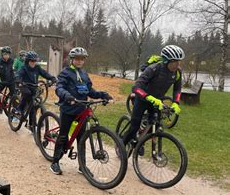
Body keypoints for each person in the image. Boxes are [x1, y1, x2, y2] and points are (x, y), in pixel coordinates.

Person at [50, 47, 112, 175]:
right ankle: (55, 162)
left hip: (81, 110)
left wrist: (103, 94)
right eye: (77, 59)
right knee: (63, 136)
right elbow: (59, 88)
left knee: (82, 138)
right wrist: (67, 96)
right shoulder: (65, 73)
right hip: (68, 109)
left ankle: (82, 166)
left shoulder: (84, 74)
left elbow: (90, 91)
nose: (79, 61)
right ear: (72, 60)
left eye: (82, 59)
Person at [121, 45, 184, 150]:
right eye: (175, 61)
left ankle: (140, 140)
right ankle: (121, 146)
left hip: (157, 102)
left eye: (179, 61)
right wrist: (149, 97)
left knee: (155, 125)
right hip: (142, 100)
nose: (178, 64)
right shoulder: (153, 69)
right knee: (134, 127)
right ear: (167, 61)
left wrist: (176, 103)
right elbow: (136, 87)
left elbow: (177, 89)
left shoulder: (177, 72)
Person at [14, 51, 56, 126]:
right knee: (27, 94)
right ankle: (19, 109)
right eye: (31, 61)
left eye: (35, 61)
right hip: (24, 86)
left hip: (33, 86)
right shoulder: (24, 68)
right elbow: (18, 74)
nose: (33, 62)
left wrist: (52, 78)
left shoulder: (37, 68)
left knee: (32, 105)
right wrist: (18, 79)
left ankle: (31, 124)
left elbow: (45, 73)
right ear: (27, 61)